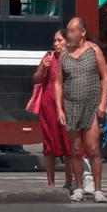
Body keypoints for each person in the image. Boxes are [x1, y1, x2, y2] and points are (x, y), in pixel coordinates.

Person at [55, 17, 107, 203]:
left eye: (72, 31)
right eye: (68, 31)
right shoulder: (64, 54)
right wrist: (59, 110)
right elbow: (58, 83)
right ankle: (79, 187)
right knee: (76, 150)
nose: (68, 35)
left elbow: (105, 77)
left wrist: (103, 103)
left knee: (94, 148)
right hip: (71, 106)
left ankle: (98, 189)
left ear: (82, 32)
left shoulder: (94, 51)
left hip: (92, 105)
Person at [32, 29, 73, 190]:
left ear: (67, 42)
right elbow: (35, 79)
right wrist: (43, 69)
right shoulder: (49, 57)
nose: (56, 44)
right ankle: (51, 182)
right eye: (55, 40)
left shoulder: (71, 57)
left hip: (66, 104)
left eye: (59, 40)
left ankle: (69, 181)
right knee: (48, 144)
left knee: (68, 143)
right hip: (48, 104)